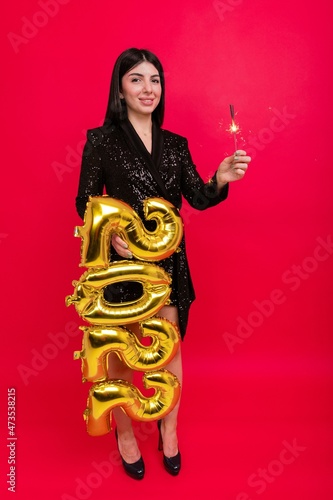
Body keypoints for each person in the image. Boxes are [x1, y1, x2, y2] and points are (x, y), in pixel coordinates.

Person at [75, 47, 250, 480]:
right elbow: (85, 201)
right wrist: (112, 235)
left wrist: (219, 179)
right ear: (120, 88)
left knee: (169, 349)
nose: (147, 88)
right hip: (120, 268)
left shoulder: (176, 144)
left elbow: (198, 197)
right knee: (120, 353)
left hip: (168, 266)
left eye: (154, 80)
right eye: (137, 79)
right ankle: (126, 435)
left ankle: (168, 430)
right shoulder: (101, 141)